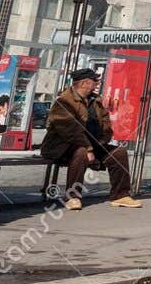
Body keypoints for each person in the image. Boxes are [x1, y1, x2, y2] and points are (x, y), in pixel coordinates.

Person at [40, 69, 140, 210]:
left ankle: (121, 195)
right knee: (81, 152)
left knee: (119, 153)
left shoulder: (96, 101)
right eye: (94, 81)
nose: (97, 83)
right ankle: (72, 197)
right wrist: (88, 149)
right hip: (62, 147)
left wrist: (101, 143)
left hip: (93, 146)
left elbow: (107, 127)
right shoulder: (64, 101)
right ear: (84, 83)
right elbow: (69, 131)